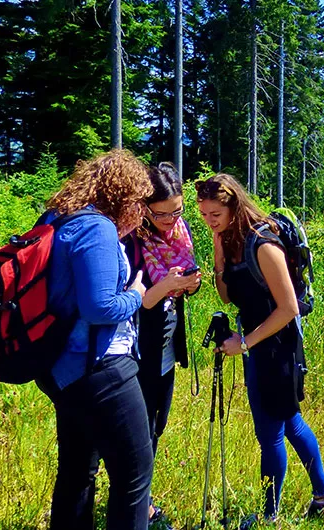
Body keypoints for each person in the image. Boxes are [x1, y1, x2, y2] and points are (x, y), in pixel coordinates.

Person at [194, 174, 324, 525]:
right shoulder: (231, 240)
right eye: (203, 215)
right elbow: (226, 297)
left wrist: (244, 342)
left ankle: (268, 516)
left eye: (215, 214)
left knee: (270, 433)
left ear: (234, 206)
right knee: (289, 421)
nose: (209, 221)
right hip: (257, 345)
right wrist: (218, 250)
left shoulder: (263, 244)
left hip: (277, 348)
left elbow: (288, 308)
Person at [35, 149, 155, 530]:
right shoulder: (96, 228)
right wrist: (136, 294)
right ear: (122, 196)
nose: (142, 213)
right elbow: (100, 307)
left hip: (63, 368)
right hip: (101, 368)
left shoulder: (59, 218)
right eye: (139, 203)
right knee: (134, 475)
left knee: (76, 471)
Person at [123, 162, 201, 528]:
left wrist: (189, 284)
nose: (171, 221)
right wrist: (167, 286)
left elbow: (186, 277)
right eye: (161, 214)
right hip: (138, 346)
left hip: (167, 341)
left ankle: (142, 499)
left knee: (157, 423)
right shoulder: (132, 240)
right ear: (144, 208)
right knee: (140, 428)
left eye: (177, 211)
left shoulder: (180, 231)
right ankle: (140, 506)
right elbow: (135, 301)